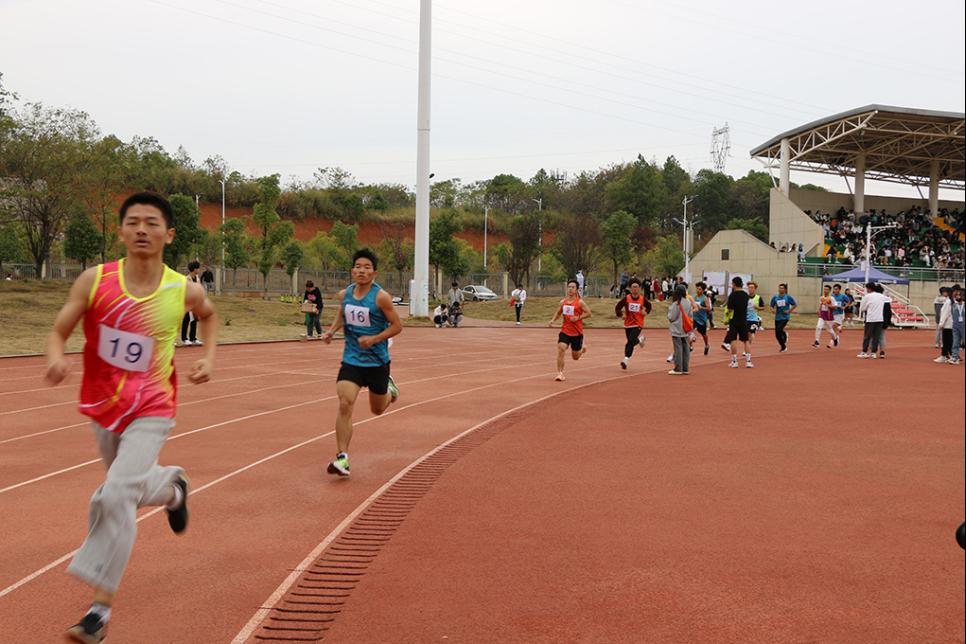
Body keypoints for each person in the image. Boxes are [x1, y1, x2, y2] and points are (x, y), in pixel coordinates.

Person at [44, 191, 217, 643]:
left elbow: (209, 315)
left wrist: (210, 357)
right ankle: (173, 488)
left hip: (153, 406)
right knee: (126, 488)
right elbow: (59, 328)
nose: (143, 229)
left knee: (116, 493)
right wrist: (57, 355)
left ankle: (99, 611)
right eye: (134, 222)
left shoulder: (183, 288)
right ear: (120, 231)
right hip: (103, 407)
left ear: (169, 234)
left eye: (152, 223)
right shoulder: (94, 281)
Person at [321, 248, 402, 477]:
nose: (362, 271)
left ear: (374, 273)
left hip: (377, 362)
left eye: (367, 267)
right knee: (345, 403)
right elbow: (342, 313)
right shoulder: (344, 294)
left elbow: (397, 326)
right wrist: (331, 331)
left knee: (377, 410)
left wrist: (375, 339)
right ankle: (342, 458)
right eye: (358, 267)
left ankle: (390, 390)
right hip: (352, 360)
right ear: (352, 271)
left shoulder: (381, 297)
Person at [549, 278, 591, 381]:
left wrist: (578, 318)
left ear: (577, 290)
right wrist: (552, 320)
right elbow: (558, 312)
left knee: (575, 357)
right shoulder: (563, 302)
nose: (570, 289)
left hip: (577, 333)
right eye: (569, 287)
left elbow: (589, 313)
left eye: (573, 287)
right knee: (561, 349)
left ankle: (582, 349)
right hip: (565, 331)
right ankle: (560, 373)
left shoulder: (580, 302)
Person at [615, 277, 651, 370]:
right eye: (633, 287)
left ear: (640, 288)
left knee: (629, 342)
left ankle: (625, 360)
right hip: (628, 324)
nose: (635, 289)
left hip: (638, 324)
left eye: (637, 287)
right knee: (632, 341)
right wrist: (621, 314)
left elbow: (649, 306)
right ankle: (640, 340)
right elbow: (617, 307)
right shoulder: (626, 298)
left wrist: (645, 312)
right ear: (630, 288)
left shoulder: (643, 299)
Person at [724, 276, 752, 368]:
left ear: (734, 284)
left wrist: (727, 317)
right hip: (743, 320)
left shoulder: (732, 295)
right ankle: (748, 361)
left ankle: (734, 361)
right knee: (746, 340)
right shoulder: (745, 295)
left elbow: (730, 309)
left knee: (733, 340)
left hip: (734, 320)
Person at [857, 281, 888, 359]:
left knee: (867, 336)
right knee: (876, 337)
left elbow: (862, 308)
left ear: (869, 288)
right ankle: (873, 353)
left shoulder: (867, 296)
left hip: (870, 319)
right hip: (880, 319)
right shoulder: (882, 296)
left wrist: (868, 307)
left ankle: (864, 351)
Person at [667, 284, 693, 375]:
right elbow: (690, 316)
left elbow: (671, 317)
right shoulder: (688, 302)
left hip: (676, 328)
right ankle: (685, 368)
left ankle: (678, 368)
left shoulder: (676, 303)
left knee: (678, 348)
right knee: (685, 348)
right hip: (685, 328)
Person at [769, 283, 797, 353]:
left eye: (782, 288)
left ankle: (784, 334)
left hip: (785, 317)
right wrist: (772, 310)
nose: (780, 289)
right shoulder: (775, 297)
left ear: (785, 289)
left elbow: (794, 304)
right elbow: (771, 305)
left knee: (779, 329)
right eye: (779, 288)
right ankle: (783, 347)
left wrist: (789, 311)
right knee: (777, 334)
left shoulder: (788, 297)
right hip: (777, 317)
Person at [180, 261, 202, 345]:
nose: (199, 270)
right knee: (186, 319)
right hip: (187, 302)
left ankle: (193, 338)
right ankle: (184, 339)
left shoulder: (197, 278)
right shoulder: (186, 279)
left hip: (195, 303)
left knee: (194, 320)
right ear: (194, 269)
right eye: (198, 268)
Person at [690, 282, 712, 355]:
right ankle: (690, 347)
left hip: (702, 319)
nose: (698, 290)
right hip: (694, 318)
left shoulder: (705, 298)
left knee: (704, 334)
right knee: (690, 332)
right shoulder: (693, 297)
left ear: (703, 290)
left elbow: (709, 309)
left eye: (699, 289)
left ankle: (706, 345)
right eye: (697, 289)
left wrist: (701, 307)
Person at [813, 284, 839, 349]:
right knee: (818, 327)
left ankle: (835, 339)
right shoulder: (821, 297)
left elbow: (835, 307)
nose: (825, 290)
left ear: (829, 290)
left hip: (829, 316)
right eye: (824, 289)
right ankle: (817, 341)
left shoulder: (831, 298)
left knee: (830, 330)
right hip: (822, 315)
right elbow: (821, 305)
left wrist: (827, 305)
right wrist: (819, 310)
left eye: (827, 289)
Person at [935, 287, 954, 363]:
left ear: (948, 293)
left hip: (947, 325)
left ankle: (945, 356)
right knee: (949, 341)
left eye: (944, 292)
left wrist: (941, 324)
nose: (943, 293)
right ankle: (948, 355)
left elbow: (945, 314)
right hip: (950, 324)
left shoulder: (948, 302)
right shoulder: (950, 301)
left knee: (946, 341)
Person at [949, 286, 964, 365]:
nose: (958, 296)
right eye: (957, 295)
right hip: (955, 325)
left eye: (959, 295)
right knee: (955, 342)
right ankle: (955, 357)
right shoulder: (954, 305)